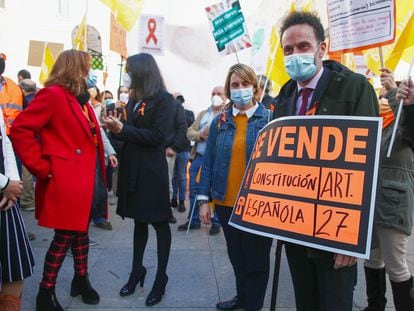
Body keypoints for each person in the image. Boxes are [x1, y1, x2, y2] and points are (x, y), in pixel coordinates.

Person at [273, 11, 378, 311]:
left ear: (322, 48)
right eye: (288, 50)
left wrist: (353, 239)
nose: (295, 55)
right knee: (306, 303)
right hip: (295, 228)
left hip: (336, 232)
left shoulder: (354, 87)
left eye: (303, 46)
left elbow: (367, 168)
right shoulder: (284, 96)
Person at [10, 49, 106, 310]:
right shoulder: (53, 95)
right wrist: (43, 168)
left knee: (81, 231)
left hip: (85, 177)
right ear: (73, 68)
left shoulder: (80, 100)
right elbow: (20, 129)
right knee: (65, 235)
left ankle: (81, 279)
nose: (88, 74)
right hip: (66, 179)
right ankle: (45, 292)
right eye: (85, 68)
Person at [198, 64, 273, 310]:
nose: (240, 89)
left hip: (257, 206)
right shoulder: (220, 121)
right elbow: (208, 162)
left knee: (257, 262)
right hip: (225, 202)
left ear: (254, 87)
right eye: (235, 85)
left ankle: (252, 305)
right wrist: (203, 201)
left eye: (245, 84)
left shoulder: (270, 119)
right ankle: (242, 298)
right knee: (237, 258)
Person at [102, 53, 174, 307]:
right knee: (139, 223)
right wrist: (114, 131)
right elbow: (128, 136)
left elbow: (157, 136)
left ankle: (161, 277)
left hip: (151, 171)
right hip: (132, 168)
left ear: (143, 71)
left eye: (131, 70)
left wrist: (124, 130)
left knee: (159, 223)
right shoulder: (133, 99)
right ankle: (136, 271)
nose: (128, 75)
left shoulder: (164, 100)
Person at [363, 70, 414, 311]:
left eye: (386, 95)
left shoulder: (403, 124)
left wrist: (396, 94)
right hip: (371, 204)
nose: (382, 98)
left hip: (392, 205)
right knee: (373, 259)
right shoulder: (377, 126)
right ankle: (375, 307)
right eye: (380, 95)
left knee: (396, 264)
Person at [0, 55, 34, 311]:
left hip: (5, 195)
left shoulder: (10, 88)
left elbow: (5, 140)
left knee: (15, 264)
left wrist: (11, 182)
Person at [177, 86, 226, 235]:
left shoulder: (228, 115)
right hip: (199, 158)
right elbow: (189, 131)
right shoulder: (204, 114)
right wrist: (200, 135)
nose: (215, 96)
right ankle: (194, 219)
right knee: (194, 191)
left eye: (219, 94)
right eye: (213, 93)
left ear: (226, 97)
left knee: (216, 192)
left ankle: (216, 222)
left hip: (218, 160)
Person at [88, 85, 118, 231]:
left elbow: (99, 132)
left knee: (100, 189)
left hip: (95, 157)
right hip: (79, 159)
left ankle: (98, 217)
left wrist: (110, 152)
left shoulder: (89, 109)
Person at [170, 93, 195, 213]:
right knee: (172, 176)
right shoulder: (168, 112)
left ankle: (181, 201)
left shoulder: (188, 113)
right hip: (172, 148)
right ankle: (173, 198)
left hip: (184, 148)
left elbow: (191, 125)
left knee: (181, 175)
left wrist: (180, 110)